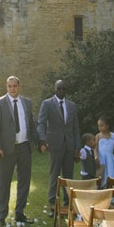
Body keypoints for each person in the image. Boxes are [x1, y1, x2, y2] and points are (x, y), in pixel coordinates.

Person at [0, 75, 37, 227]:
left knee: (24, 182)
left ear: (19, 86)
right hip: (6, 149)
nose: (12, 89)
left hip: (24, 147)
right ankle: (2, 217)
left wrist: (39, 142)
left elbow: (31, 125)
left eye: (14, 86)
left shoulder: (27, 103)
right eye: (9, 86)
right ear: (6, 87)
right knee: (4, 183)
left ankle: (20, 213)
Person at [37, 79, 80, 213]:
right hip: (54, 145)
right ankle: (52, 204)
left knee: (68, 176)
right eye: (59, 88)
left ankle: (67, 204)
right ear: (55, 89)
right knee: (54, 175)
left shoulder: (72, 106)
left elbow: (75, 128)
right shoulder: (47, 104)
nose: (61, 91)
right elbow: (41, 123)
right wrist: (43, 140)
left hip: (69, 146)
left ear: (66, 90)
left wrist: (77, 147)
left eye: (63, 89)